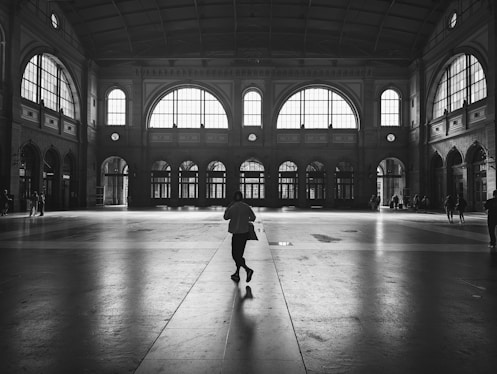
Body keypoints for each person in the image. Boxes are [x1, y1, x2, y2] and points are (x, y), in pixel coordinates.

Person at [223, 190, 256, 282]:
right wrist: (245, 219)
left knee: (235, 255)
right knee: (239, 254)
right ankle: (237, 273)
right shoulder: (246, 207)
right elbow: (253, 218)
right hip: (244, 233)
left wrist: (228, 207)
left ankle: (247, 269)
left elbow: (225, 217)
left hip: (236, 234)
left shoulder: (232, 207)